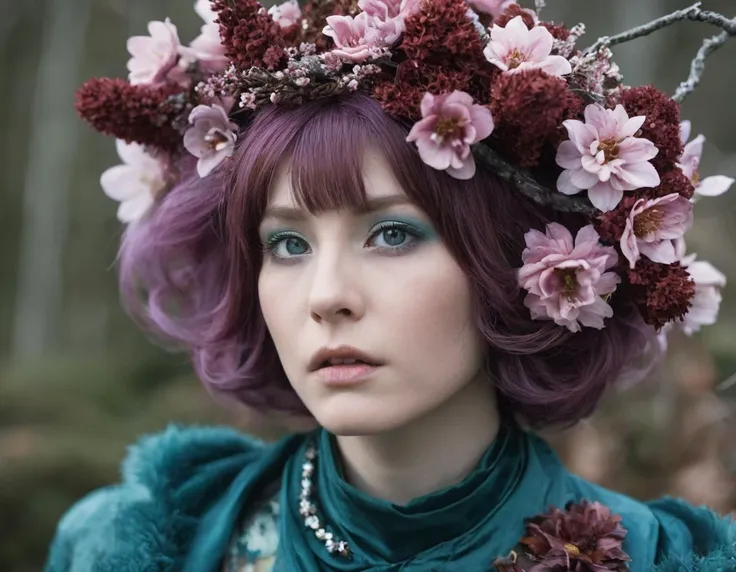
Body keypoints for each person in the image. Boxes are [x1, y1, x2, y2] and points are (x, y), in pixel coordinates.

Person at [47, 0, 736, 570]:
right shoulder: (140, 545)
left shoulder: (660, 558)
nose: (326, 296)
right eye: (287, 244)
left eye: (393, 235)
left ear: (509, 268)